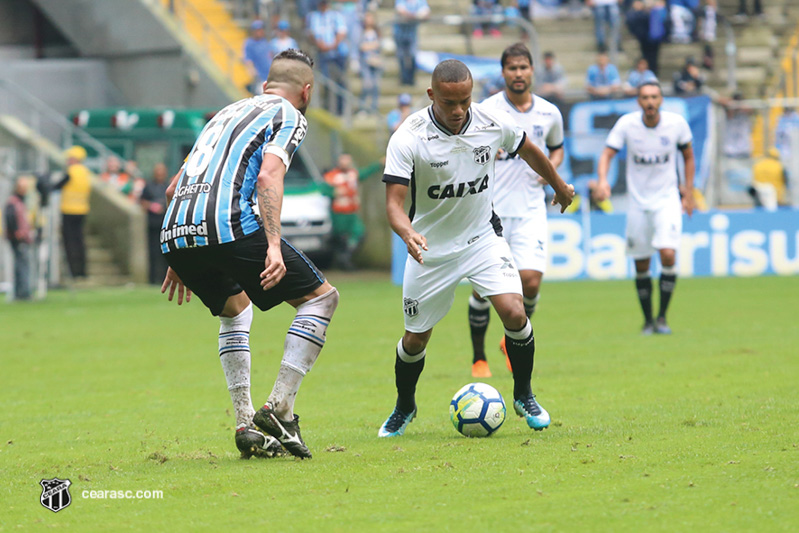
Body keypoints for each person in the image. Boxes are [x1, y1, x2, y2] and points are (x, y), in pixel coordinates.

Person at [378, 59, 575, 438]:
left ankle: (524, 395)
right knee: (415, 338)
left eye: (465, 101)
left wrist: (558, 184)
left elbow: (529, 149)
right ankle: (405, 406)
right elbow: (393, 205)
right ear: (432, 95)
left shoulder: (489, 122)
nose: (458, 111)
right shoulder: (408, 136)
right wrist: (407, 233)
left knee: (515, 312)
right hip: (429, 247)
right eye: (449, 103)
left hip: (482, 237)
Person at [160, 49, 339, 460]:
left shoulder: (225, 114)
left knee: (236, 310)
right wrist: (273, 244)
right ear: (306, 91)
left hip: (175, 229)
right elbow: (268, 176)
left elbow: (174, 189)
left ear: (265, 86)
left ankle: (245, 426)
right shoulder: (289, 115)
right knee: (321, 298)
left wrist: (179, 252)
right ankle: (278, 408)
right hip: (227, 224)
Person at [467, 43, 565, 379]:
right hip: (489, 212)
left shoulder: (550, 113)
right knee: (484, 288)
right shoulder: (486, 110)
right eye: (512, 68)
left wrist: (550, 169)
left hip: (530, 210)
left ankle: (512, 340)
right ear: (503, 72)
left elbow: (557, 149)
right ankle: (478, 357)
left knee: (531, 283)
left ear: (532, 70)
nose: (518, 74)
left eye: (524, 67)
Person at [594, 81, 695, 335]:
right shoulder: (627, 124)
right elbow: (607, 154)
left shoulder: (676, 125)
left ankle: (662, 317)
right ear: (638, 101)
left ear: (661, 100)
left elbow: (688, 156)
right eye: (645, 97)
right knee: (641, 263)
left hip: (667, 199)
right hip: (637, 202)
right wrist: (603, 180)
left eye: (654, 97)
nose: (650, 102)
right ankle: (648, 320)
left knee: (668, 254)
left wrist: (689, 192)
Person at [53, 146, 91, 280]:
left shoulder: (71, 172)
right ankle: (82, 271)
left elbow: (56, 186)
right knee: (80, 241)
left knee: (69, 243)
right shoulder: (85, 172)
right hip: (82, 209)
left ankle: (73, 272)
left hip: (69, 210)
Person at [307, 0, 349, 114]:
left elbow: (342, 32)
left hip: (338, 53)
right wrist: (323, 46)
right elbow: (313, 34)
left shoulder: (336, 16)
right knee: (326, 81)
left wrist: (332, 45)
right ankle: (328, 108)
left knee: (341, 81)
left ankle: (341, 109)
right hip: (323, 53)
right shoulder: (315, 17)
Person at [4, 176, 35, 300]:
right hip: (18, 238)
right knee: (22, 264)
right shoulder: (14, 202)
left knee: (21, 264)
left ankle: (20, 291)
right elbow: (10, 218)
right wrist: (16, 232)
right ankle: (23, 292)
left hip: (22, 237)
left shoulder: (21, 202)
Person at [139, 162, 170, 285]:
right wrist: (151, 206)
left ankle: (164, 278)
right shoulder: (149, 186)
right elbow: (142, 201)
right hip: (152, 224)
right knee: (152, 252)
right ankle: (152, 279)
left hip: (165, 225)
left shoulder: (168, 186)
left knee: (166, 254)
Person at [394, 0, 430, 86]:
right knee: (401, 55)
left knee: (413, 55)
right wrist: (416, 16)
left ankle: (411, 78)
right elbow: (401, 11)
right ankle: (404, 78)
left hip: (412, 33)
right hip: (400, 33)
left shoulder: (420, 1)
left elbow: (426, 13)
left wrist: (412, 16)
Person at [358, 11, 382, 115]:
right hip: (365, 62)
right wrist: (372, 45)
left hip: (375, 62)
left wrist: (369, 46)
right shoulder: (361, 32)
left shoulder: (377, 32)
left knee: (376, 85)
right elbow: (361, 46)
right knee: (367, 85)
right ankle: (362, 107)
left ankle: (374, 108)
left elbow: (379, 45)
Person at [243, 20, 272, 95]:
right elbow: (248, 59)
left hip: (269, 75)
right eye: (258, 30)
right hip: (260, 77)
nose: (261, 32)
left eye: (261, 29)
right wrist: (252, 71)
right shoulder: (250, 43)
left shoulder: (264, 41)